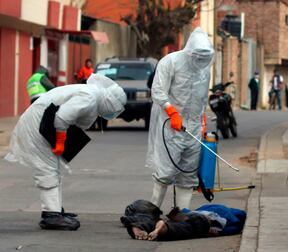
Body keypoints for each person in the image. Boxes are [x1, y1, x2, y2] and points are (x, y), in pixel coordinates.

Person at [5, 74, 126, 231]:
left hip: (43, 126)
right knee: (47, 169)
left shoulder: (91, 94)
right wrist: (61, 141)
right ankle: (51, 215)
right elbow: (62, 117)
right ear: (110, 102)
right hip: (38, 128)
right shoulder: (89, 97)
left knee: (52, 169)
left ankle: (55, 210)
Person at [146, 27, 215, 210]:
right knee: (166, 172)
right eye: (198, 56)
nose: (201, 61)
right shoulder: (171, 62)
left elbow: (201, 98)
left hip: (193, 126)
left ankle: (182, 214)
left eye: (204, 57)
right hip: (171, 125)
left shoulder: (204, 70)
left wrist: (203, 122)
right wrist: (171, 111)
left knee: (188, 174)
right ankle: (152, 212)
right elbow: (158, 90)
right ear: (190, 52)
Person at [120, 199, 246, 241]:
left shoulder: (212, 207)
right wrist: (217, 232)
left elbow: (186, 211)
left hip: (191, 214)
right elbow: (236, 224)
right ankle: (163, 228)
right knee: (185, 228)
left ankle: (143, 226)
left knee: (180, 224)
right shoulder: (232, 217)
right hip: (201, 221)